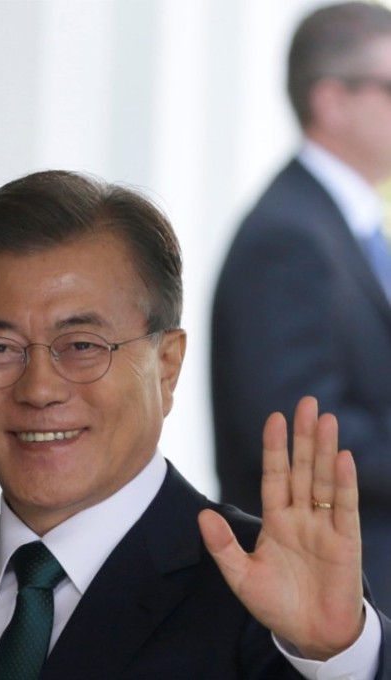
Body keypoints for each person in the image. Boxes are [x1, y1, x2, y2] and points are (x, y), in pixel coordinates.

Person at [0, 170, 391, 679]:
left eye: (83, 346)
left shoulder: (264, 595)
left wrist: (342, 657)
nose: (40, 389)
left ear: (167, 365)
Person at [212, 1, 391, 605]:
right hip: (325, 598)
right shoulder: (288, 236)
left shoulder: (345, 224)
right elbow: (299, 434)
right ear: (332, 101)